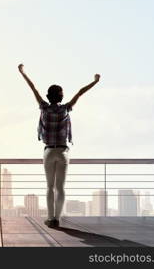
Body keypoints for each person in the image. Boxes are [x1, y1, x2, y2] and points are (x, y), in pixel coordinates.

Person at [18, 63, 100, 228]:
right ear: (61, 97)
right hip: (63, 151)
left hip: (49, 151)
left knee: (49, 186)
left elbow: (32, 88)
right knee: (60, 187)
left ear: (48, 96)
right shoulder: (66, 109)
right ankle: (57, 218)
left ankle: (50, 219)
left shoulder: (44, 108)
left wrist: (22, 72)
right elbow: (80, 93)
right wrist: (95, 81)